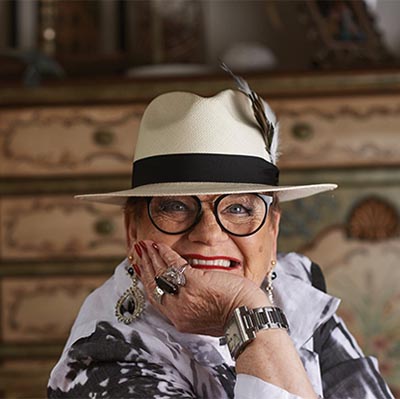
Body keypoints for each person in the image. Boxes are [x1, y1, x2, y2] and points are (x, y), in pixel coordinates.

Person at [47, 77, 393, 398]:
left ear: (272, 230)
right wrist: (251, 314)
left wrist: (247, 310)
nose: (209, 235)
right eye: (175, 206)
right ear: (132, 230)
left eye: (240, 209)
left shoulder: (296, 287)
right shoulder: (104, 356)